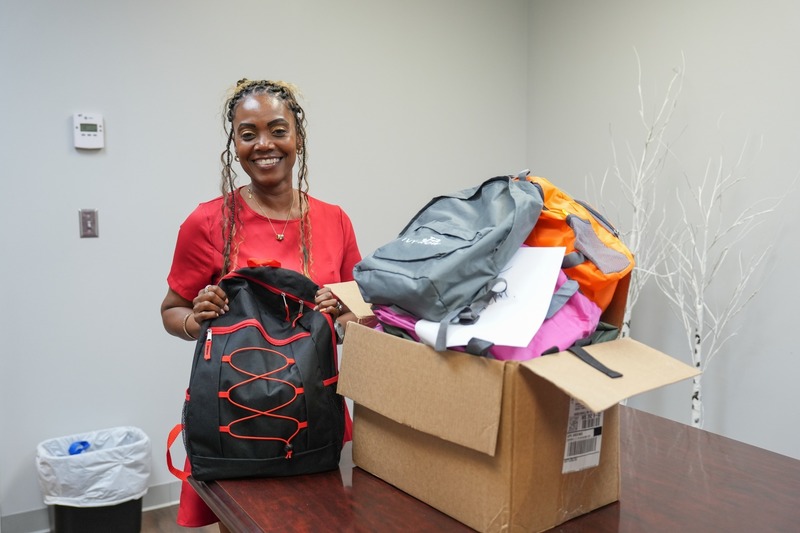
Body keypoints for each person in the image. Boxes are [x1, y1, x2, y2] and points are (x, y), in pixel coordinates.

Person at [160, 78, 362, 529]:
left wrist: (339, 314)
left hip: (315, 414)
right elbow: (170, 311)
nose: (263, 144)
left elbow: (360, 310)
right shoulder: (207, 221)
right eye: (248, 134)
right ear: (235, 144)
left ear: (298, 138)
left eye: (277, 130)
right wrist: (197, 318)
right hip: (237, 422)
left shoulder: (335, 220)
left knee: (324, 521)